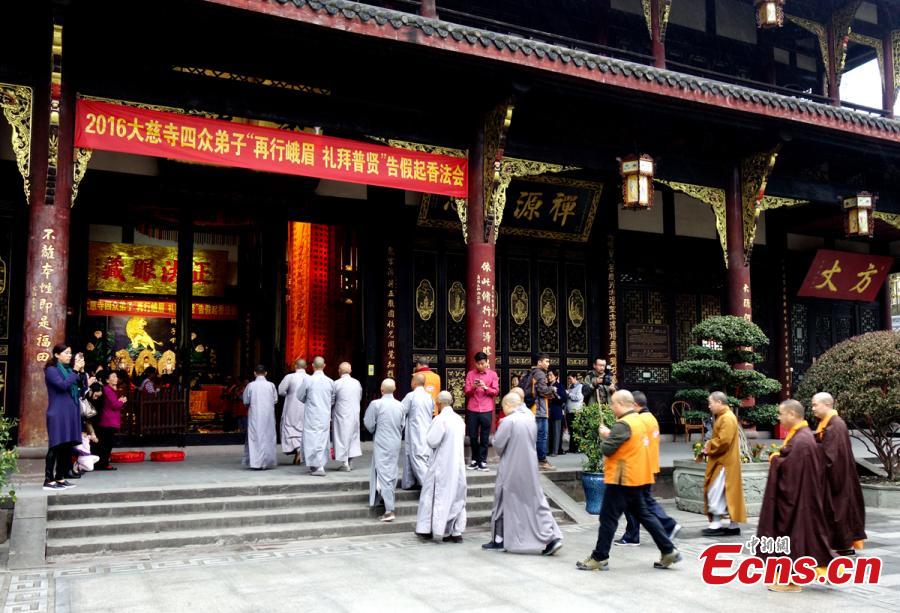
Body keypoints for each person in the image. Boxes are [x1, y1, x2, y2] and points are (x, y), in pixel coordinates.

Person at [577, 390, 680, 571]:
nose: (611, 407)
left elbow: (608, 449)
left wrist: (604, 436)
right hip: (637, 476)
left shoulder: (623, 424)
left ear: (622, 404)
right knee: (644, 515)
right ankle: (668, 550)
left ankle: (599, 556)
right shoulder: (640, 421)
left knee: (608, 518)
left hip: (621, 478)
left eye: (613, 404)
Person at [757, 400, 833, 593]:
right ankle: (820, 572)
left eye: (781, 414)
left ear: (792, 414)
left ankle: (792, 582)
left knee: (795, 538)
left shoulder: (802, 440)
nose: (779, 418)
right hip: (802, 499)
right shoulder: (800, 436)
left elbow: (790, 470)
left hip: (798, 501)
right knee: (804, 538)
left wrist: (776, 460)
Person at [482, 393, 563, 556]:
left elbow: (498, 444)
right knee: (535, 501)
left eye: (503, 407)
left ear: (508, 404)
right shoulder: (530, 418)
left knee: (502, 501)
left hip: (511, 468)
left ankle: (501, 539)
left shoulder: (509, 421)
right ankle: (550, 535)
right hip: (530, 468)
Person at [615, 390, 680, 546]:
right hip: (649, 464)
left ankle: (667, 526)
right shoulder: (650, 418)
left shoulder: (639, 420)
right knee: (639, 503)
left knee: (642, 503)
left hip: (639, 466)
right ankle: (633, 535)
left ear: (635, 405)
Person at [811, 392, 866, 555]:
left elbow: (831, 457)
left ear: (827, 405)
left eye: (815, 405)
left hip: (838, 479)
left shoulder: (836, 425)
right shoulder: (827, 424)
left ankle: (844, 545)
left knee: (839, 511)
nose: (813, 408)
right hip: (833, 477)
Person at [415, 390, 467, 543]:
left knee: (437, 496)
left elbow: (432, 441)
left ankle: (435, 529)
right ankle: (456, 531)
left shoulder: (440, 420)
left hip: (442, 464)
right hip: (457, 464)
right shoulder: (459, 419)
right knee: (457, 496)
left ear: (439, 403)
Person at [702, 391, 747, 536]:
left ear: (719, 402)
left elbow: (724, 441)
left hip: (724, 463)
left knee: (715, 491)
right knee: (725, 494)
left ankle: (716, 524)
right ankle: (733, 526)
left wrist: (709, 445)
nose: (709, 406)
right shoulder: (724, 416)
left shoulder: (727, 418)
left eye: (711, 403)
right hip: (724, 461)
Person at [43, 344, 86, 490]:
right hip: (58, 413)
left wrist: (81, 370)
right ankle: (48, 480)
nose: (69, 356)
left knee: (66, 446)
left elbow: (82, 388)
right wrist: (75, 370)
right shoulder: (51, 370)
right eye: (66, 353)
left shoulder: (69, 370)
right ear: (56, 354)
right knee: (55, 446)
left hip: (70, 413)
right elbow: (62, 386)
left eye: (70, 353)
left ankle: (60, 477)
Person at [364, 378, 406, 522]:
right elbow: (402, 425)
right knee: (391, 472)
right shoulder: (400, 405)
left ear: (382, 390)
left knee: (384, 473)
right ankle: (384, 498)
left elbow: (368, 423)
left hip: (382, 441)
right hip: (395, 442)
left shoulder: (376, 404)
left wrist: (375, 429)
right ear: (394, 389)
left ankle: (389, 510)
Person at [297, 356, 335, 476]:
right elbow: (333, 399)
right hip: (324, 415)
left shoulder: (308, 380)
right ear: (324, 366)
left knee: (311, 439)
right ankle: (319, 465)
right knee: (322, 439)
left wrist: (309, 402)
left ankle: (317, 466)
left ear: (312, 366)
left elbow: (300, 396)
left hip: (311, 414)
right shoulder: (330, 381)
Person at [464, 351, 499, 471]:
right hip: (472, 408)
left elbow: (495, 392)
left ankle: (483, 461)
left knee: (484, 437)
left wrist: (485, 387)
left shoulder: (493, 375)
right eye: (478, 364)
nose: (480, 366)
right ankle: (474, 460)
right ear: (475, 363)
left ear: (487, 362)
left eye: (483, 363)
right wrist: (473, 387)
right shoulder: (470, 374)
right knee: (473, 436)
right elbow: (466, 392)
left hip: (486, 409)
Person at [521, 354, 556, 471]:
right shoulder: (540, 373)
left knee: (533, 436)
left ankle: (531, 461)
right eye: (546, 361)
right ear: (539, 362)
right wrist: (552, 389)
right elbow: (542, 391)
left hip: (531, 409)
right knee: (542, 436)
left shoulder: (531, 372)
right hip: (539, 410)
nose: (548, 363)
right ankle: (541, 461)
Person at [241, 364, 278, 470]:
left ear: (254, 373)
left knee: (255, 438)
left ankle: (256, 462)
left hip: (255, 416)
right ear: (266, 373)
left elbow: (246, 401)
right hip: (268, 417)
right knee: (268, 437)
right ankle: (267, 462)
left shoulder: (251, 386)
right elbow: (275, 400)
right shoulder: (271, 385)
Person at [401, 373, 434, 489]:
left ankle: (429, 487)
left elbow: (401, 411)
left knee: (417, 457)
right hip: (427, 429)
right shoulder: (429, 397)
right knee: (418, 455)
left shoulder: (411, 396)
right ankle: (410, 482)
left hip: (415, 430)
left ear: (414, 383)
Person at [332, 362, 363, 471]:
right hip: (354, 413)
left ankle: (345, 463)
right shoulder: (357, 383)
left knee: (341, 437)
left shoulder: (336, 383)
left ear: (339, 371)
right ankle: (350, 461)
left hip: (341, 414)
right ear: (350, 371)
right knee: (353, 437)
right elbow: (359, 397)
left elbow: (332, 400)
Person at [277, 358, 308, 464]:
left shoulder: (290, 377)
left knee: (290, 428)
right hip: (306, 408)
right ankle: (301, 452)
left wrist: (289, 395)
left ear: (295, 366)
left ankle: (298, 450)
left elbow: (281, 391)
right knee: (303, 430)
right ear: (306, 367)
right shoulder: (310, 378)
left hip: (291, 407)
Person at [96, 369, 128, 472]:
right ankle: (103, 464)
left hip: (109, 421)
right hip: (108, 421)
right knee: (106, 444)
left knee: (106, 443)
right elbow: (114, 405)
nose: (116, 378)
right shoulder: (107, 390)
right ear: (107, 380)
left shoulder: (111, 389)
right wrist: (122, 401)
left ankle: (103, 463)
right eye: (113, 377)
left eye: (116, 376)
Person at [547, 371, 568, 457]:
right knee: (549, 432)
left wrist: (555, 395)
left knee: (556, 432)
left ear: (556, 376)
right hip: (548, 411)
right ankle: (548, 450)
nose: (549, 377)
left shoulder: (559, 386)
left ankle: (555, 451)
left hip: (556, 410)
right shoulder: (547, 386)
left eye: (551, 375)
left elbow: (564, 398)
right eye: (548, 375)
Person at [565, 374, 584, 453]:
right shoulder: (570, 387)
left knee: (576, 430)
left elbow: (578, 397)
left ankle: (577, 448)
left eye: (570, 378)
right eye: (568, 379)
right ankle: (571, 448)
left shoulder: (580, 386)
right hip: (569, 411)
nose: (569, 380)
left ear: (575, 378)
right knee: (571, 430)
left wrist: (569, 394)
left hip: (576, 411)